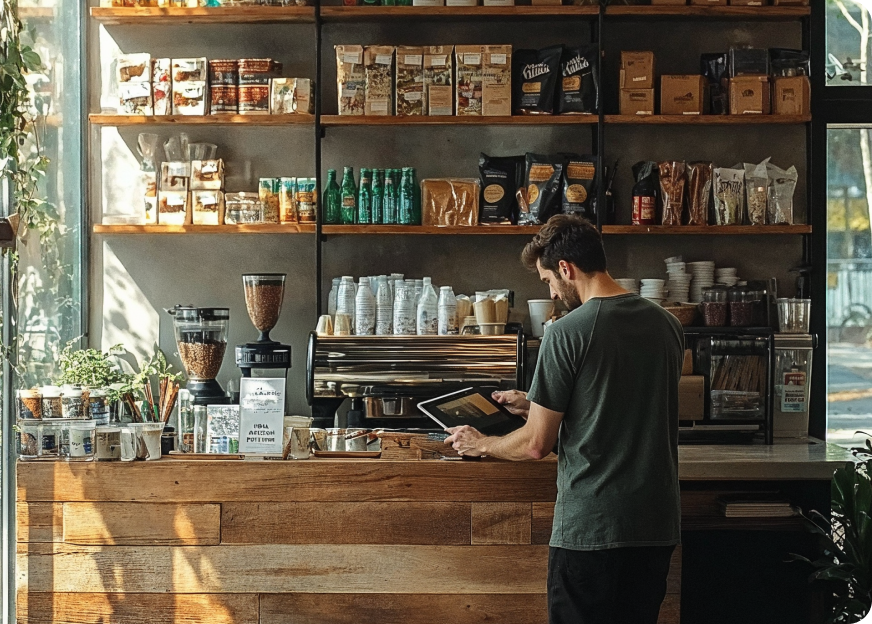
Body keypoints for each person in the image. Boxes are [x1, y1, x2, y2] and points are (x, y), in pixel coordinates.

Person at [445, 215, 683, 624]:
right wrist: (534, 403)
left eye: (548, 281)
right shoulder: (668, 325)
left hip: (592, 530)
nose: (552, 292)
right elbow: (619, 404)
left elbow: (536, 444)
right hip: (655, 526)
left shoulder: (565, 333)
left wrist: (480, 443)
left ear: (566, 269)